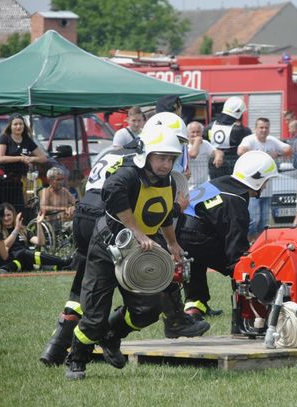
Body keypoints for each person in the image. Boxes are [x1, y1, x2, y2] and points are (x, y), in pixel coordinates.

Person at [41, 114, 208, 368]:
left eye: (170, 158)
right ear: (147, 151)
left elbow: (160, 214)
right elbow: (113, 193)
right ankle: (76, 358)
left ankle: (110, 335)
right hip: (107, 239)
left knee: (147, 308)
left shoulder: (169, 181)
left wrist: (173, 244)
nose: (166, 164)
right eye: (161, 157)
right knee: (94, 311)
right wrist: (138, 232)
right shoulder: (128, 173)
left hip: (128, 240)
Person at [177, 150, 278, 320]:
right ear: (257, 179)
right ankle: (248, 310)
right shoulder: (236, 200)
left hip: (181, 233)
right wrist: (243, 267)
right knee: (240, 266)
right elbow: (235, 244)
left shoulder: (220, 183)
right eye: (265, 181)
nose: (266, 185)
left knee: (196, 263)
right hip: (197, 235)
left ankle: (194, 307)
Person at [238, 117, 291, 240]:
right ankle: (250, 243)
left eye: (266, 127)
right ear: (255, 129)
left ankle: (260, 244)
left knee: (263, 221)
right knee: (253, 220)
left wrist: (277, 154)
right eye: (261, 127)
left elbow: (288, 149)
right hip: (252, 188)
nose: (263, 130)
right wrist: (263, 156)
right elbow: (240, 151)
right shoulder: (249, 139)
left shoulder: (271, 141)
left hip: (267, 188)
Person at [0, 203, 71, 273]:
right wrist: (16, 230)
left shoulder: (23, 230)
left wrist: (39, 224)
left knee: (26, 255)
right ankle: (63, 261)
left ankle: (66, 265)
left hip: (26, 261)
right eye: (4, 216)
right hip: (10, 260)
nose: (6, 218)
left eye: (8, 215)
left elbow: (40, 242)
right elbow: (5, 245)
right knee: (23, 253)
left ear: (14, 215)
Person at [0, 114, 47, 214]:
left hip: (16, 182)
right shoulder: (4, 138)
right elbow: (0, 158)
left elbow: (43, 158)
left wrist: (31, 158)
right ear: (10, 126)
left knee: (19, 211)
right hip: (0, 180)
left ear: (24, 126)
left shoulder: (27, 140)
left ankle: (19, 229)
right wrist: (20, 158)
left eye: (21, 124)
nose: (18, 126)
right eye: (15, 124)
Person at [204, 96, 251, 179]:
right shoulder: (241, 130)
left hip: (213, 165)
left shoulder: (210, 126)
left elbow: (205, 143)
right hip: (233, 167)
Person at [187, 121, 224, 189]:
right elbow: (193, 154)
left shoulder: (205, 143)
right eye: (193, 132)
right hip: (189, 185)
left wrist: (218, 156)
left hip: (205, 183)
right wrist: (197, 141)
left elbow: (217, 151)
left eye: (198, 132)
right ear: (188, 133)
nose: (195, 134)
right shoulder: (185, 145)